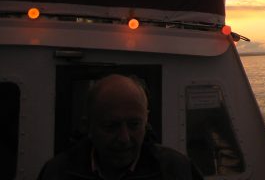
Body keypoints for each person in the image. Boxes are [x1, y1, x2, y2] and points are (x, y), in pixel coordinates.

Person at [37, 74, 203, 180]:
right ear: (87, 126)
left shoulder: (177, 171)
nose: (124, 138)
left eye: (134, 125)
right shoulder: (57, 173)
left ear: (146, 122)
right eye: (111, 126)